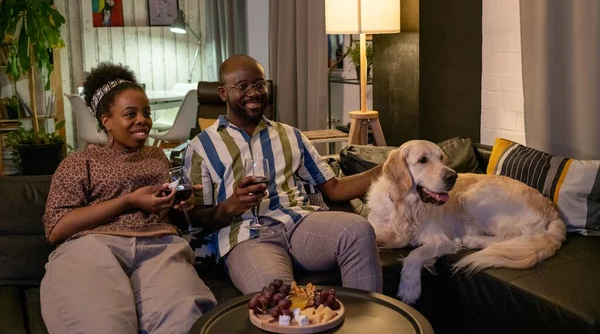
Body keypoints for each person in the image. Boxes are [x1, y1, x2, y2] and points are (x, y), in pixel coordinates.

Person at [183, 54, 383, 294]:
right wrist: (230, 206)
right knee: (276, 295)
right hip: (248, 237)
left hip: (300, 224)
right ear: (223, 93)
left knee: (357, 230)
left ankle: (364, 324)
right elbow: (197, 218)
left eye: (259, 84)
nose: (254, 92)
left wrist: (388, 168)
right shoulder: (201, 147)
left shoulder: (291, 135)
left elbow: (335, 189)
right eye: (243, 86)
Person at [40, 62, 216, 334]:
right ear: (106, 121)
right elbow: (55, 228)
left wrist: (182, 206)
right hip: (93, 247)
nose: (142, 120)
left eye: (146, 113)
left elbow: (169, 214)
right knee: (103, 324)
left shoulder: (157, 157)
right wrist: (128, 201)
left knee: (183, 320)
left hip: (158, 246)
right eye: (130, 114)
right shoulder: (79, 162)